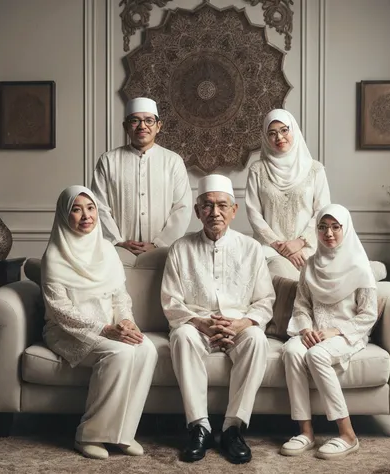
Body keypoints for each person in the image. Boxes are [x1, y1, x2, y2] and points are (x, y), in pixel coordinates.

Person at [161, 174, 275, 465]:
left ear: (234, 210)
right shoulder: (180, 248)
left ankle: (232, 429)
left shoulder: (251, 248)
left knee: (258, 340)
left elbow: (265, 301)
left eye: (222, 205)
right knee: (182, 336)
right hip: (197, 325)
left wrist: (243, 323)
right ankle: (199, 427)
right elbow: (171, 301)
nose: (215, 213)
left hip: (238, 325)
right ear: (198, 211)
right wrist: (199, 323)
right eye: (208, 206)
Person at [41, 185, 158, 460]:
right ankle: (89, 435)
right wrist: (105, 330)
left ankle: (122, 434)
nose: (86, 216)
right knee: (119, 352)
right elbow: (60, 311)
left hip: (110, 327)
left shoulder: (107, 250)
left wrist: (127, 322)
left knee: (146, 349)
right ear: (63, 215)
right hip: (67, 331)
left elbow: (120, 297)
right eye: (77, 209)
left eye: (91, 208)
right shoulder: (54, 256)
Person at [281, 204, 377, 460]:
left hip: (345, 334)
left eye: (335, 227)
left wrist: (335, 330)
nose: (329, 233)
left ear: (345, 228)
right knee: (291, 350)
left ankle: (347, 434)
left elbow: (368, 314)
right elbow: (301, 305)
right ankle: (305, 432)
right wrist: (305, 329)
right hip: (314, 332)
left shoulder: (360, 267)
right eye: (323, 227)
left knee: (316, 356)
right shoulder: (310, 265)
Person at [91, 97, 192, 266]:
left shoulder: (173, 161)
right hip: (117, 252)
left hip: (162, 253)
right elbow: (99, 206)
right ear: (125, 126)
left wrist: (158, 243)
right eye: (135, 120)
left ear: (158, 126)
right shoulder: (108, 160)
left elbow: (183, 207)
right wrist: (118, 241)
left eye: (149, 120)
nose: (142, 126)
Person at [245, 109, 331, 280]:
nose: (279, 137)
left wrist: (299, 243)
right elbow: (253, 213)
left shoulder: (315, 169)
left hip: (307, 246)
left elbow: (322, 210)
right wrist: (281, 247)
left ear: (294, 130)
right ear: (265, 137)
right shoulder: (257, 170)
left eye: (284, 130)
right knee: (278, 276)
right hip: (270, 249)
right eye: (272, 133)